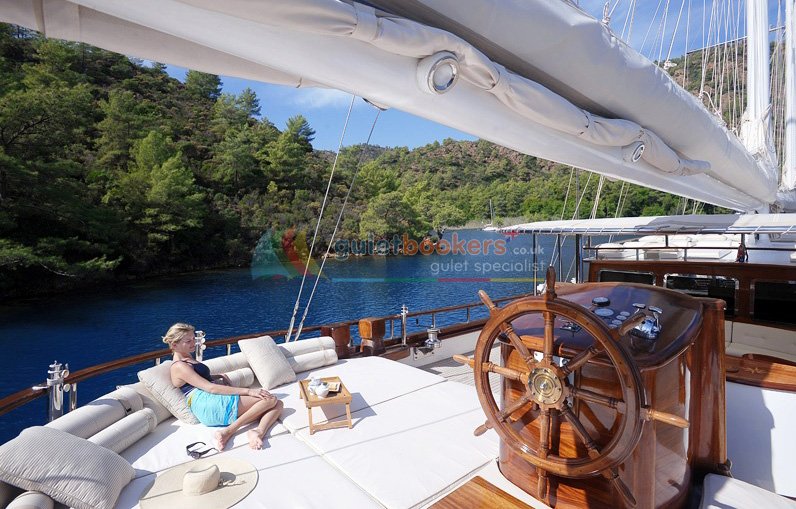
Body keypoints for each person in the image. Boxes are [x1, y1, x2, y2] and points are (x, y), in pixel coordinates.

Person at [163, 323, 283, 450]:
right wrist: (249, 391)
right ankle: (228, 431)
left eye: (193, 339)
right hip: (205, 403)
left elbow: (195, 379)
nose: (193, 343)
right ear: (174, 345)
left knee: (278, 404)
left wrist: (217, 376)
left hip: (207, 398)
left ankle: (258, 432)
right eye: (188, 341)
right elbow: (210, 388)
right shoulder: (179, 366)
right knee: (270, 400)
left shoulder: (187, 358)